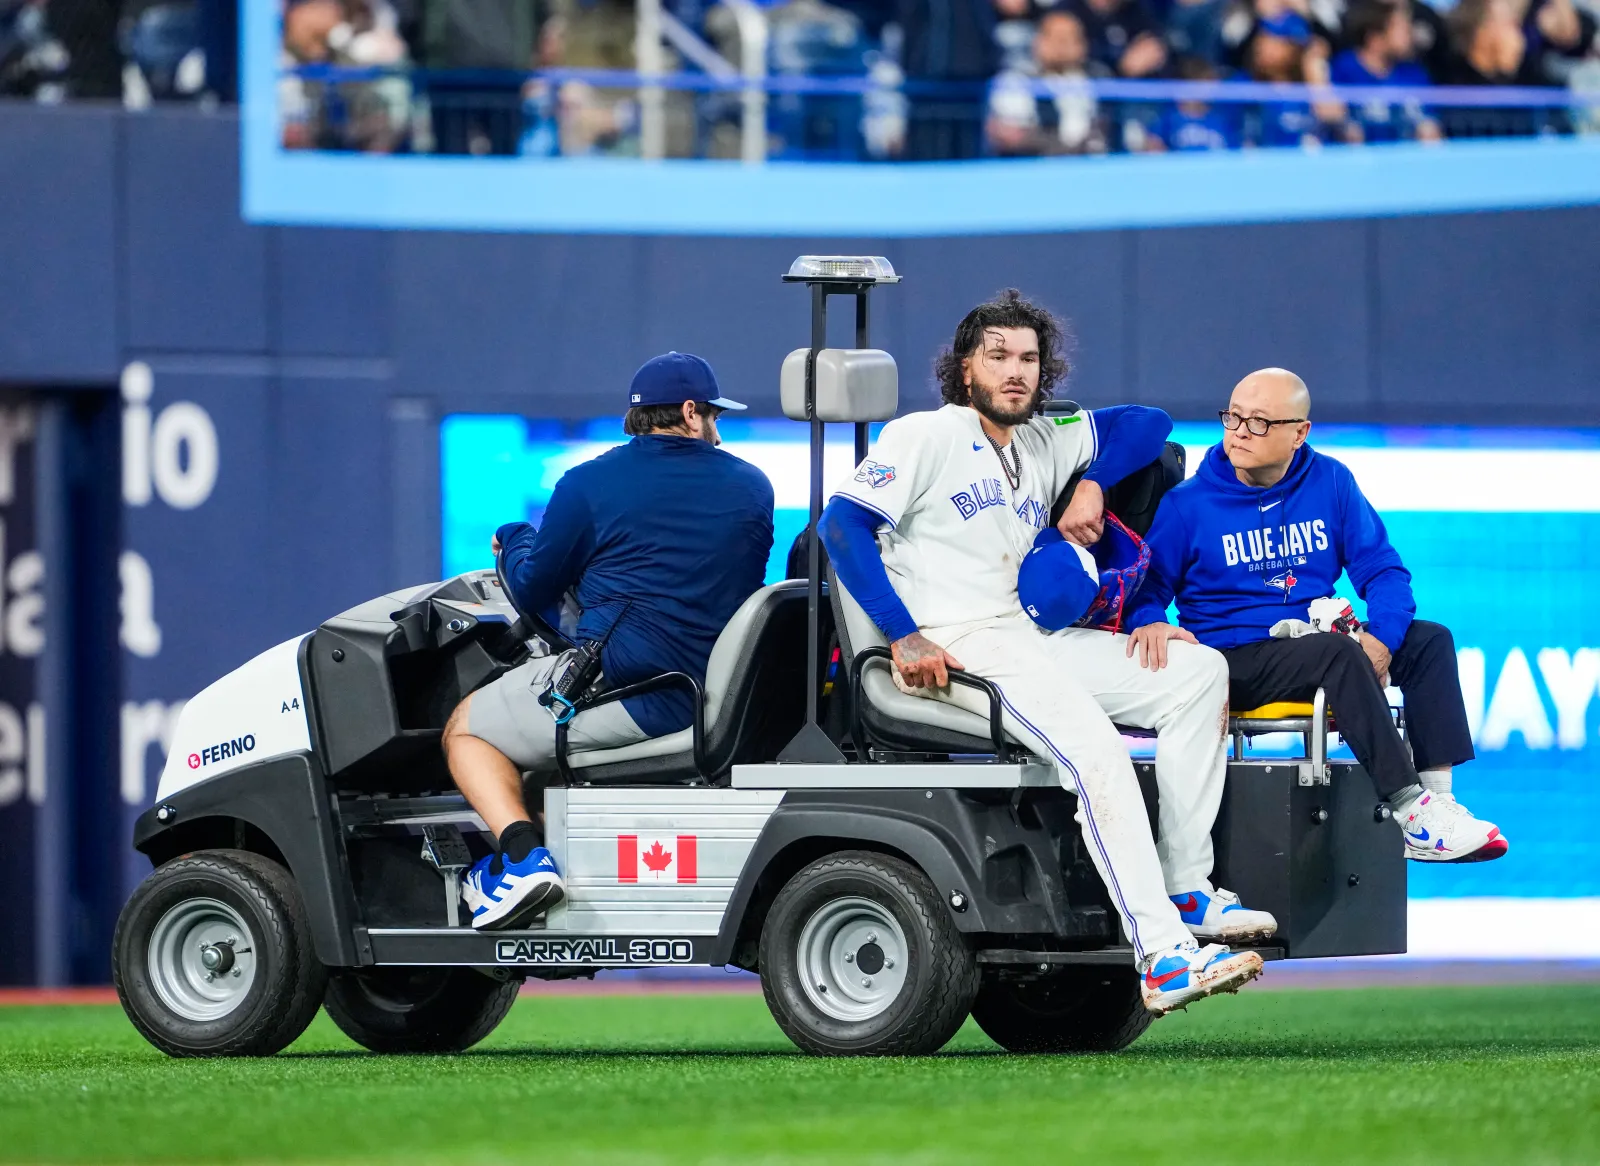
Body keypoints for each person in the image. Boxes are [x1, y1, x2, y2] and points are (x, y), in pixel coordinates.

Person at [817, 290, 1274, 1017]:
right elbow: (839, 528)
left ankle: (1186, 886)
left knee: (1196, 674)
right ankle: (1162, 957)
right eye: (997, 356)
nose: (1016, 371)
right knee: (1098, 753)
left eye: (1029, 358)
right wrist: (904, 634)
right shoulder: (925, 435)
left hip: (1030, 639)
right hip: (959, 645)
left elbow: (1149, 426)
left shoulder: (1044, 437)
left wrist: (1091, 480)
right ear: (964, 368)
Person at [441, 352, 775, 929]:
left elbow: (530, 583)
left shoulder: (588, 484)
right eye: (716, 416)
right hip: (717, 694)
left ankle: (521, 860)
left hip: (634, 691)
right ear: (691, 414)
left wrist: (513, 535)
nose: (717, 429)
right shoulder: (753, 486)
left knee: (464, 730)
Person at [1125, 367, 1508, 864]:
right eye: (1233, 417)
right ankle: (1408, 807)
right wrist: (1151, 618)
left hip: (1317, 645)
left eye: (1259, 422)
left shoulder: (1330, 480)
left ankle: (1439, 803)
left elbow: (1383, 570)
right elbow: (1144, 588)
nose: (1240, 431)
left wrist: (1385, 640)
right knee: (1335, 652)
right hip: (1233, 658)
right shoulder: (1187, 505)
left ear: (1298, 433)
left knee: (1430, 641)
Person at [986, 9, 1110, 157]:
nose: (1062, 46)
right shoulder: (1015, 81)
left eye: (1069, 38)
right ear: (1038, 42)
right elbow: (1013, 136)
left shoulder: (1099, 80)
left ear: (1083, 44)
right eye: (1055, 37)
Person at [1329, 0, 1442, 144]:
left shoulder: (1415, 73)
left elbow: (1431, 126)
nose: (1409, 34)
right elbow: (1337, 122)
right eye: (1401, 28)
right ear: (1375, 38)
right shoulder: (1344, 69)